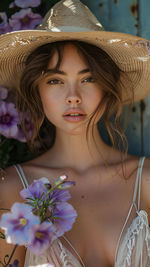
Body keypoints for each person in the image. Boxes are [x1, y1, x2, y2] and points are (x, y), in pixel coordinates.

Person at [0, 0, 150, 266]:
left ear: (107, 86)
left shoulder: (147, 181)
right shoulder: (11, 190)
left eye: (88, 79)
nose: (73, 97)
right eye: (55, 80)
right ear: (38, 90)